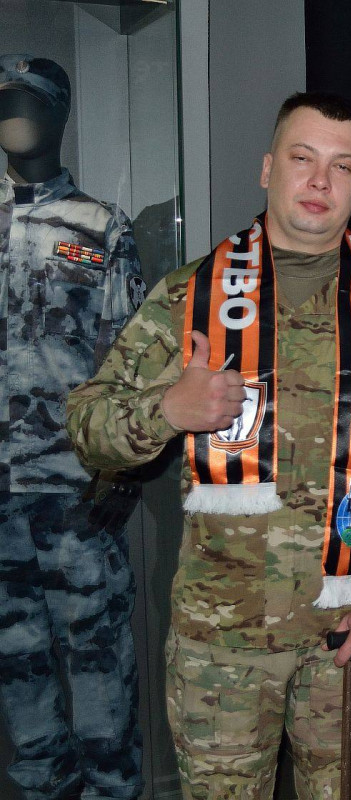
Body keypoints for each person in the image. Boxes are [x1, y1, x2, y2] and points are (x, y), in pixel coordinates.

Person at [66, 92, 351, 799]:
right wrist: (168, 409)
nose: (320, 181)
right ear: (268, 168)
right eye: (303, 159)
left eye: (343, 167)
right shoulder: (191, 297)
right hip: (222, 645)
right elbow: (88, 428)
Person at [0, 53, 145, 799]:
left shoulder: (98, 227)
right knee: (17, 674)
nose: (14, 116)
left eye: (30, 102)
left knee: (98, 670)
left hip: (76, 489)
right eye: (4, 102)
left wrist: (124, 470)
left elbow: (134, 358)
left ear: (61, 114)